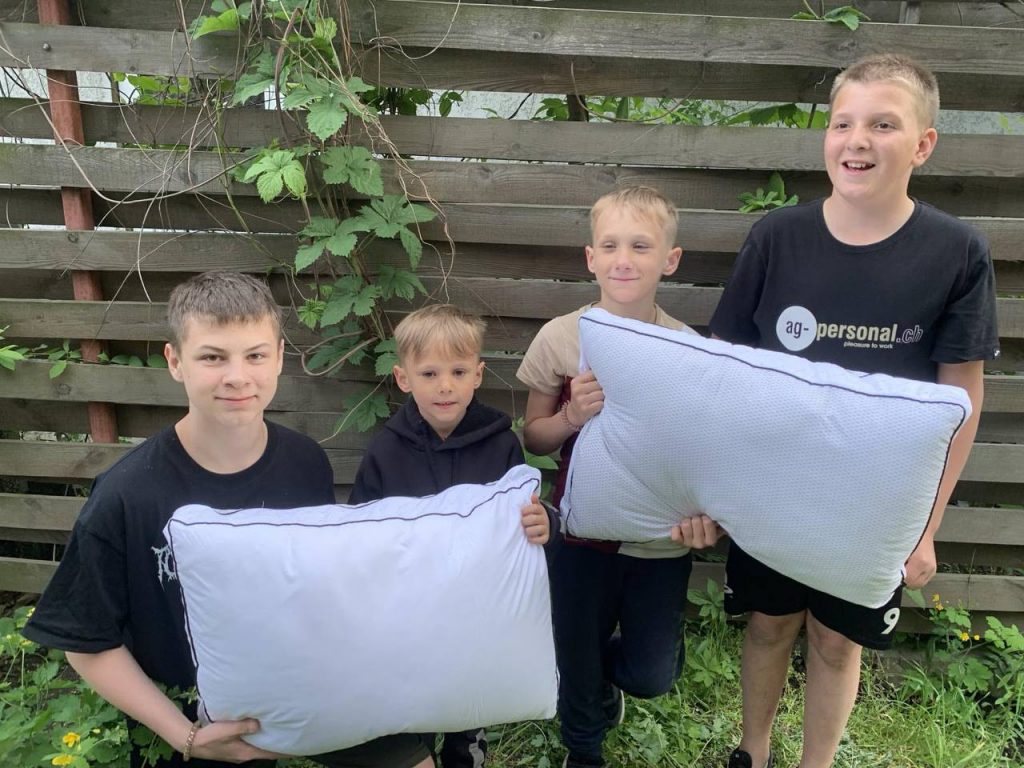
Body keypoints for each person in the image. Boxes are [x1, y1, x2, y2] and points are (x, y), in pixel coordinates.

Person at [708, 54, 1000, 768]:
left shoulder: (958, 253)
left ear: (923, 144)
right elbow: (721, 376)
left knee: (837, 642)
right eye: (843, 123)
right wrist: (712, 490)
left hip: (876, 506)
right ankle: (752, 753)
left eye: (883, 124)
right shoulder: (776, 238)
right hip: (773, 491)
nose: (857, 140)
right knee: (768, 625)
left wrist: (925, 527)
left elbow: (962, 400)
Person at [22, 271, 434, 768]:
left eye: (255, 355)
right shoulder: (127, 493)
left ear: (279, 357)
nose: (237, 376)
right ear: (175, 361)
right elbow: (87, 643)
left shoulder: (305, 463)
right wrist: (185, 736)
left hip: (302, 691)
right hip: (198, 725)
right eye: (213, 357)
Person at [517, 185, 722, 768]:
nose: (623, 259)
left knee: (651, 674)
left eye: (640, 246)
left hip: (659, 544)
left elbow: (705, 453)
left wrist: (708, 518)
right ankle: (583, 751)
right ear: (591, 258)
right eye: (609, 246)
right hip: (579, 536)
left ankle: (599, 672)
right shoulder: (561, 337)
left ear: (670, 260)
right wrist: (571, 417)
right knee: (577, 654)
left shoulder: (688, 348)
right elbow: (534, 438)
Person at [349, 302, 553, 768]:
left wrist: (547, 524)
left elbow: (523, 518)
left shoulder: (502, 443)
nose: (445, 386)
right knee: (416, 693)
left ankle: (467, 745)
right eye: (429, 373)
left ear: (478, 375)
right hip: (411, 603)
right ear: (403, 378)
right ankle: (416, 748)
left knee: (468, 688)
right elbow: (361, 527)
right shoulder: (384, 450)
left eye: (458, 372)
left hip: (477, 600)